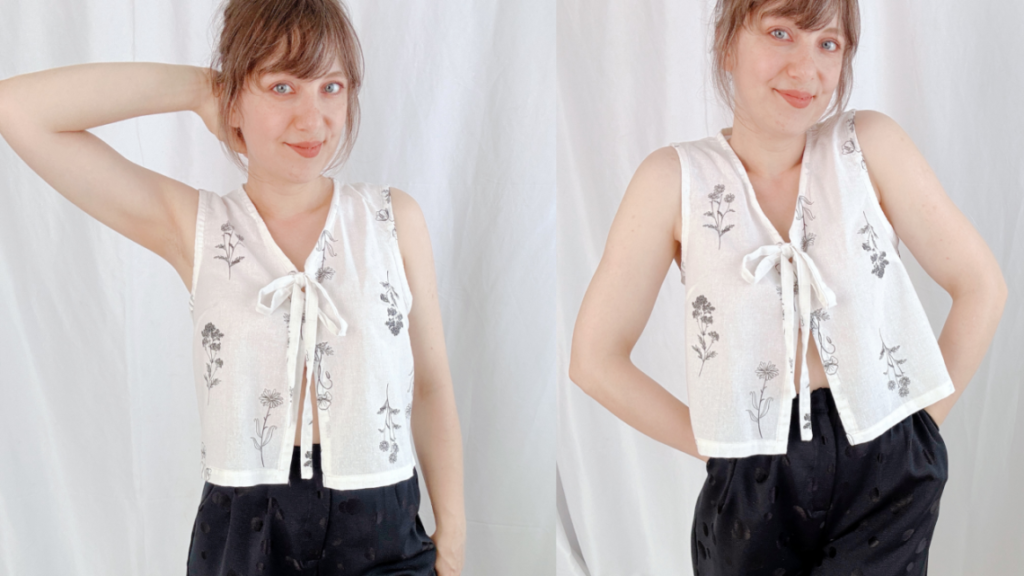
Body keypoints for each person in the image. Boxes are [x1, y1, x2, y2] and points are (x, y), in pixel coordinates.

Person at [0, 0, 465, 574]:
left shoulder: (394, 220)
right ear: (235, 99)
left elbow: (432, 388)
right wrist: (199, 89)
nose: (312, 118)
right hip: (245, 534)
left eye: (331, 86)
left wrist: (454, 542)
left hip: (384, 526)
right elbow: (17, 108)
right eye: (281, 87)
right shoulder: (195, 227)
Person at [568, 0, 1006, 573]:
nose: (806, 69)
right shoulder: (673, 180)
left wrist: (916, 429)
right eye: (781, 33)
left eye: (828, 44)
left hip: (888, 464)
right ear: (728, 44)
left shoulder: (869, 145)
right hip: (752, 483)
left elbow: (981, 285)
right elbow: (593, 359)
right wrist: (721, 449)